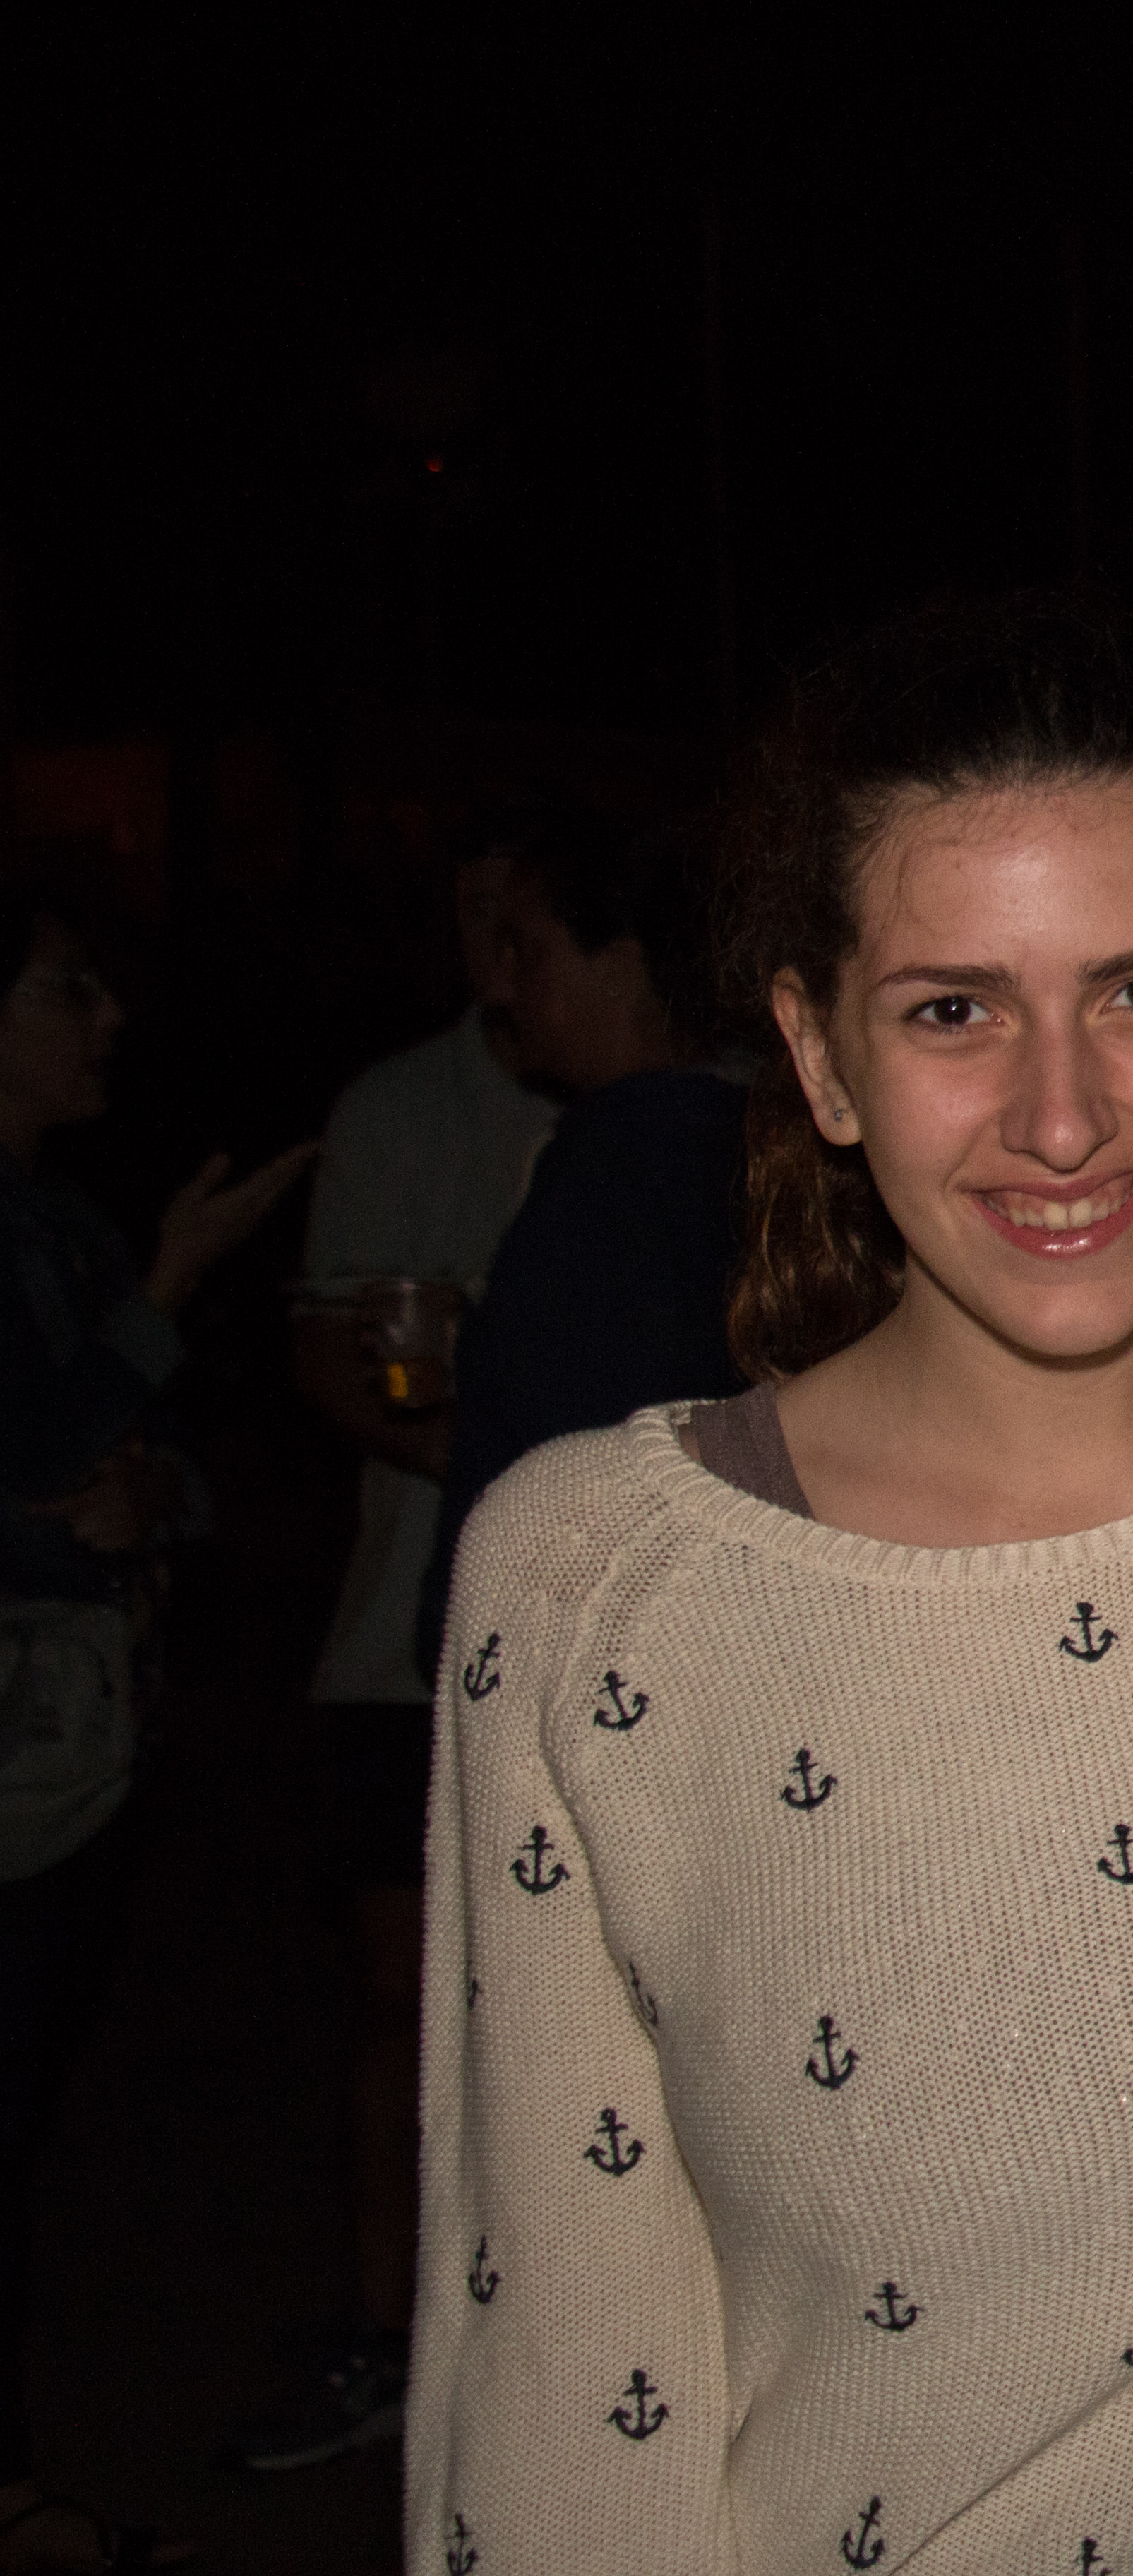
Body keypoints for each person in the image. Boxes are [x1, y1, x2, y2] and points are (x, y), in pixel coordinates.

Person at [404, 598, 1133, 2576]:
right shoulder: (593, 1594)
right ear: (819, 1055)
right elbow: (561, 2386)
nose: (1061, 1115)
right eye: (953, 1011)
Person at [3, 866, 311, 2573]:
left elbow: (163, 1475)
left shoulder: (58, 1220)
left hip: (81, 1738)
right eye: (64, 990)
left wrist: (138, 1498)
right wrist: (175, 1282)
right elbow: (48, 1458)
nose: (106, 1018)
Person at [239, 835, 559, 2477]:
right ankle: (388, 2326)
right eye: (476, 910)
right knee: (399, 1988)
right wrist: (504, 1466)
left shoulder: (659, 1108)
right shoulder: (398, 1109)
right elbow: (328, 1354)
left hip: (592, 1654)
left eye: (529, 915)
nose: (501, 943)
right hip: (400, 1639)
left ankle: (558, 2342)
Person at [418, 810, 752, 1679]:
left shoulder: (629, 1168)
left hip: (581, 1669)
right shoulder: (729, 1145)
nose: (503, 986)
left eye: (529, 951)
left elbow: (585, 1444)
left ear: (618, 969)